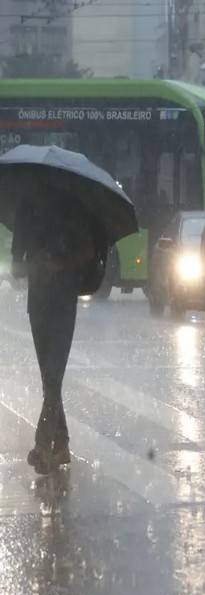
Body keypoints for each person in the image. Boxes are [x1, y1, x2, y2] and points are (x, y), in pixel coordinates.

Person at [11, 173, 96, 475]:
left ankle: (42, 445)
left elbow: (89, 251)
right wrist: (34, 263)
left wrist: (61, 263)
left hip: (63, 303)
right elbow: (15, 268)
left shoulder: (69, 208)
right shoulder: (24, 212)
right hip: (38, 305)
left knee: (53, 375)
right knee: (50, 380)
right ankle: (61, 445)